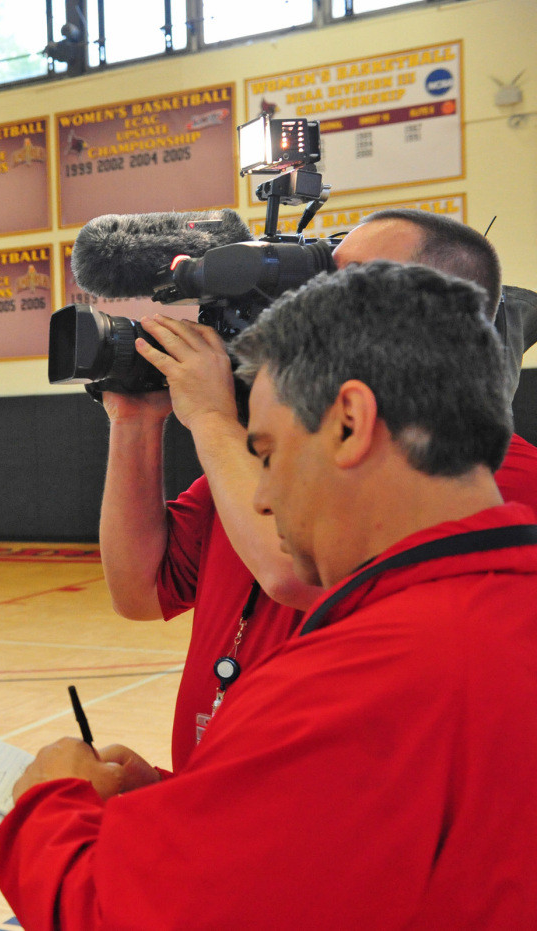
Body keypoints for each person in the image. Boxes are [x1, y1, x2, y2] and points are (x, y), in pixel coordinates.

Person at [0, 261, 537, 928]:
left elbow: (124, 913)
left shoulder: (364, 678)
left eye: (270, 453)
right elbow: (348, 853)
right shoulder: (498, 608)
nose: (257, 493)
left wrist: (50, 803)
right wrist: (187, 803)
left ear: (349, 422)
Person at [97, 206, 537, 771]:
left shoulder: (492, 473)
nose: (312, 301)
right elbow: (139, 592)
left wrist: (210, 418)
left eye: (350, 283)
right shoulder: (275, 461)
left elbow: (288, 573)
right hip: (235, 801)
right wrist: (136, 420)